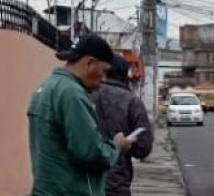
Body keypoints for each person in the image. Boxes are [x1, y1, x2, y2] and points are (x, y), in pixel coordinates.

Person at [29, 34, 135, 196]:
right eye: (104, 71)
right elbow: (90, 153)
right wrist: (117, 147)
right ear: (89, 63)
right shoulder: (73, 94)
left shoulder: (46, 87)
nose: (104, 79)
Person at [92, 57, 153, 196]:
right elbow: (143, 148)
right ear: (126, 74)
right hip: (116, 182)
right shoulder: (132, 102)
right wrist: (126, 145)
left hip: (85, 180)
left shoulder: (85, 94)